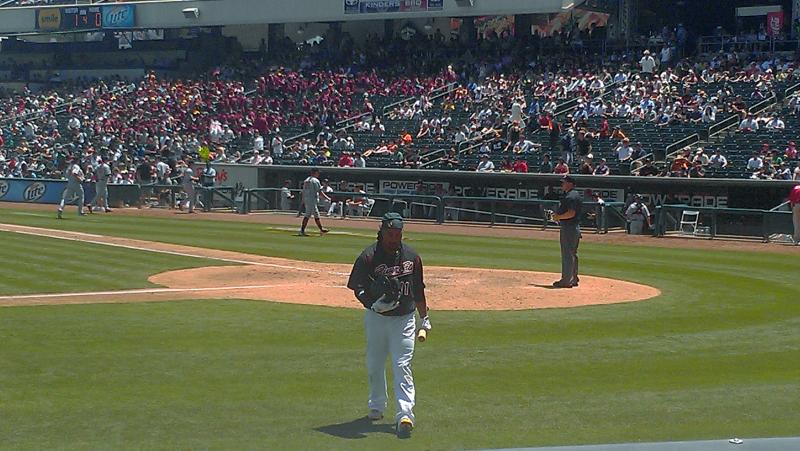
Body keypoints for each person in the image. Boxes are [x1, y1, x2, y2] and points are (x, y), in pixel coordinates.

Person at [346, 213, 430, 438]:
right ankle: (377, 405)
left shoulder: (412, 257)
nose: (394, 238)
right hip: (376, 319)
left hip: (404, 319)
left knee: (402, 364)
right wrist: (372, 304)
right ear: (381, 232)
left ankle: (405, 414)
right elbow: (356, 287)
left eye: (398, 234)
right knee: (375, 363)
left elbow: (418, 289)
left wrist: (425, 318)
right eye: (390, 234)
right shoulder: (368, 257)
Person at [550, 175, 582, 288]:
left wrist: (558, 217)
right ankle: (573, 278)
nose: (562, 184)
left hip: (569, 228)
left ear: (570, 184)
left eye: (564, 182)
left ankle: (566, 280)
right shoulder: (575, 194)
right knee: (572, 253)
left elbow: (571, 213)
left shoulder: (570, 196)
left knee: (567, 254)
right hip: (574, 227)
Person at [299, 168, 331, 236]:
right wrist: (327, 198)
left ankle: (321, 229)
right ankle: (303, 230)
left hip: (307, 199)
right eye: (317, 172)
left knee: (312, 214)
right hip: (312, 199)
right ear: (314, 172)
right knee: (310, 215)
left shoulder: (306, 180)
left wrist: (303, 199)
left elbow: (304, 191)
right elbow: (319, 191)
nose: (318, 174)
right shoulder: (315, 180)